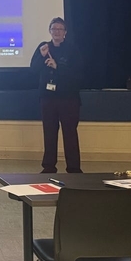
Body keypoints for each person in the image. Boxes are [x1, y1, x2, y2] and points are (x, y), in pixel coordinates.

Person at [29, 17, 81, 173]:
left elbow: (78, 73)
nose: (57, 32)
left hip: (68, 98)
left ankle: (73, 167)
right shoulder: (44, 48)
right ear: (49, 31)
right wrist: (42, 56)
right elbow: (33, 69)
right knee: (49, 132)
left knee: (70, 133)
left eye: (60, 29)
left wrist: (57, 67)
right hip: (47, 98)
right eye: (54, 29)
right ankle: (49, 166)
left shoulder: (72, 50)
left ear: (65, 32)